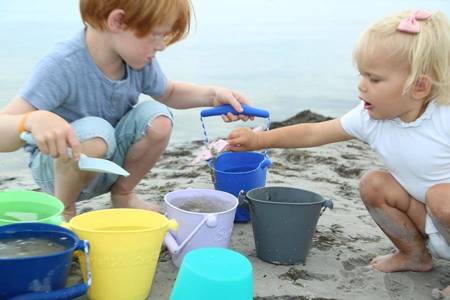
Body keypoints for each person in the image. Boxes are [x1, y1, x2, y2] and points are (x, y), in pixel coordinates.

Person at [227, 9, 450, 297]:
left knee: (440, 197)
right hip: (430, 222)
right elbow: (314, 132)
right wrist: (259, 140)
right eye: (362, 75)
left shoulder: (443, 118)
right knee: (374, 183)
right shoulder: (370, 119)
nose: (361, 85)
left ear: (419, 86)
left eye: (375, 79)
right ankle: (415, 254)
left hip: (444, 209)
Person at [0, 0, 250, 221]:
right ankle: (65, 211)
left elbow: (170, 92)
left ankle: (123, 194)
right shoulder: (61, 65)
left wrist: (213, 95)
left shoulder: (137, 60)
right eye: (157, 35)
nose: (162, 46)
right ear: (118, 21)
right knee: (97, 131)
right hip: (57, 171)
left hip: (108, 164)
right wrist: (31, 120)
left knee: (158, 117)